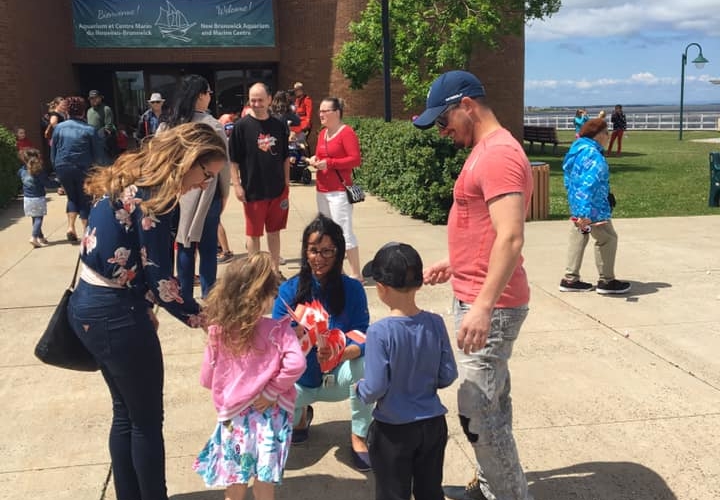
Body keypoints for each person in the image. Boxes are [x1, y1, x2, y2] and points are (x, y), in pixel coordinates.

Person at [68, 122, 228, 500]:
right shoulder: (155, 198)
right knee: (145, 424)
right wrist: (207, 318)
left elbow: (122, 250)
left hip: (90, 306)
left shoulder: (131, 174)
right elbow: (163, 283)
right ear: (187, 159)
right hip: (116, 317)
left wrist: (144, 301)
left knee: (125, 414)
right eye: (206, 175)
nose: (205, 185)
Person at [413, 70, 534, 500]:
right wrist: (457, 261)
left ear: (467, 106)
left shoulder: (499, 154)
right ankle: (488, 487)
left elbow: (511, 236)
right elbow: (485, 228)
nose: (443, 132)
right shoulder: (485, 151)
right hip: (480, 293)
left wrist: (482, 305)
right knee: (492, 403)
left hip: (493, 306)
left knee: (477, 412)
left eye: (443, 122)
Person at [193, 252, 306, 500]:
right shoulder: (278, 330)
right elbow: (296, 364)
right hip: (271, 415)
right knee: (264, 480)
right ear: (263, 298)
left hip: (234, 418)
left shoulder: (218, 333)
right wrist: (271, 391)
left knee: (235, 479)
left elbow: (206, 379)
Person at [271, 214, 373, 472]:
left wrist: (341, 351)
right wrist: (295, 338)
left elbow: (362, 332)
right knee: (270, 376)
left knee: (367, 365)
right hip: (300, 377)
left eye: (327, 252)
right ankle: (300, 417)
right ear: (305, 252)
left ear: (338, 252)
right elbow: (274, 336)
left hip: (338, 373)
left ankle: (359, 435)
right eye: (314, 251)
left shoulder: (353, 289)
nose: (319, 258)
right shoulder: (290, 289)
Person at [357, 242, 458, 500]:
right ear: (419, 283)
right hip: (433, 425)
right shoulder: (435, 323)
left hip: (393, 429)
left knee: (393, 493)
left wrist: (360, 390)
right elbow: (448, 374)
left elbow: (376, 386)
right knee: (429, 490)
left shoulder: (379, 333)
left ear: (381, 288)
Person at [161, 74, 231, 300]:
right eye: (208, 92)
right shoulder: (213, 126)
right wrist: (225, 194)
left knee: (183, 243)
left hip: (174, 193)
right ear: (200, 95)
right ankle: (209, 294)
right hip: (206, 192)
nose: (210, 96)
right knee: (208, 245)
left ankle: (183, 293)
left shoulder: (168, 125)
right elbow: (224, 166)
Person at [558, 118, 631, 294]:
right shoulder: (592, 154)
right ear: (597, 135)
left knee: (580, 236)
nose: (608, 136)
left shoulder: (577, 150)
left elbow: (570, 178)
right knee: (607, 238)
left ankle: (570, 279)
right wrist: (585, 212)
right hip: (593, 210)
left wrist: (578, 208)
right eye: (606, 133)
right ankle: (607, 281)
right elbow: (588, 184)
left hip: (579, 206)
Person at [229, 82, 291, 275]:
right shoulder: (241, 127)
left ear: (269, 100)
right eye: (253, 100)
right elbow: (234, 160)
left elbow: (285, 157)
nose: (256, 104)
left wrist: (287, 184)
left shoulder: (278, 124)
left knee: (274, 232)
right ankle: (255, 273)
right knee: (253, 233)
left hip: (277, 189)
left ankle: (274, 271)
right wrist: (237, 185)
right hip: (252, 190)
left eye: (260, 100)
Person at [307, 97, 363, 280]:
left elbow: (355, 159)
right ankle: (338, 271)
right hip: (322, 189)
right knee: (327, 233)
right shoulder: (323, 134)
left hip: (339, 191)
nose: (321, 114)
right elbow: (321, 155)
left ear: (337, 112)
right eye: (320, 111)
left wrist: (329, 163)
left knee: (344, 232)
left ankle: (356, 274)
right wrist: (315, 160)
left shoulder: (346, 133)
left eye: (325, 111)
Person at [50, 96, 105, 242]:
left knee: (72, 197)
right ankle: (86, 230)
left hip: (62, 166)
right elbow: (98, 155)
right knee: (85, 198)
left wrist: (56, 171)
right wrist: (100, 171)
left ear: (67, 111)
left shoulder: (59, 128)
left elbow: (53, 153)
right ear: (83, 111)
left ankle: (70, 227)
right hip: (83, 166)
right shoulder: (90, 129)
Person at [17, 148, 58, 247]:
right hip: (38, 198)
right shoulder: (39, 172)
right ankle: (34, 237)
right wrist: (58, 182)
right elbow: (48, 184)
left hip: (27, 199)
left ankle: (41, 237)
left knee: (34, 219)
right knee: (39, 218)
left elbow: (19, 175)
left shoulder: (22, 170)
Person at [86, 89, 117, 161]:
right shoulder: (89, 111)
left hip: (104, 140)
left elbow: (108, 126)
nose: (94, 100)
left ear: (100, 98)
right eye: (91, 98)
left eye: (96, 98)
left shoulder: (106, 109)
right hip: (92, 140)